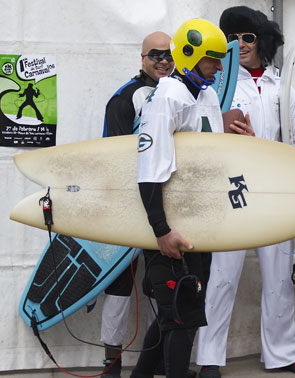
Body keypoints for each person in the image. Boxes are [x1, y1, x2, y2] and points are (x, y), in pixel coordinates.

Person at [196, 6, 295, 378]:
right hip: (230, 191)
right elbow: (197, 138)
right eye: (232, 38)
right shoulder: (216, 87)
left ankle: (281, 353)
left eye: (247, 37)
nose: (240, 45)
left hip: (272, 191)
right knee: (222, 276)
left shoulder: (283, 87)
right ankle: (209, 357)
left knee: (279, 274)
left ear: (262, 40)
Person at [130, 18, 252, 378]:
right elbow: (149, 169)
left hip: (198, 225)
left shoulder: (208, 95)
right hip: (169, 228)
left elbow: (209, 157)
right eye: (211, 60)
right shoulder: (167, 96)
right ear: (189, 55)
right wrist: (161, 230)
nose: (219, 67)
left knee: (180, 314)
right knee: (180, 320)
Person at [100, 31, 183, 378]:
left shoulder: (180, 94)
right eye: (155, 55)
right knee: (120, 285)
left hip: (169, 204)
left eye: (168, 55)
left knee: (161, 286)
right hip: (131, 205)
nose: (163, 61)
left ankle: (161, 361)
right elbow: (116, 157)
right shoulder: (124, 98)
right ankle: (112, 366)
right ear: (142, 58)